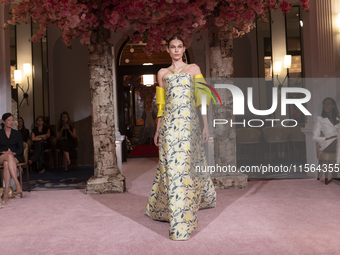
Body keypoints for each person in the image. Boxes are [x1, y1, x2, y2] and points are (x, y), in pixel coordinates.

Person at [144, 35, 216, 241]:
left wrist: (205, 125)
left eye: (179, 47)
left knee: (184, 167)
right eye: (172, 47)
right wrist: (158, 130)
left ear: (184, 49)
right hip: (168, 126)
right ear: (167, 50)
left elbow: (202, 97)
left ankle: (183, 215)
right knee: (171, 167)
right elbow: (161, 104)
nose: (176, 50)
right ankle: (176, 215)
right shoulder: (162, 73)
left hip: (189, 126)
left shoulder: (194, 69)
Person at [0, 113, 23, 203]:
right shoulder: (0, 133)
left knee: (6, 163)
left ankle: (6, 192)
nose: (11, 122)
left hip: (15, 156)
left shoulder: (17, 133)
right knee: (7, 157)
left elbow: (21, 148)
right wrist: (4, 152)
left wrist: (14, 153)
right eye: (9, 120)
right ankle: (17, 183)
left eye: (12, 120)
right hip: (1, 156)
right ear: (3, 121)